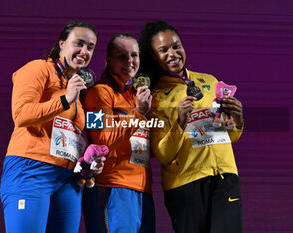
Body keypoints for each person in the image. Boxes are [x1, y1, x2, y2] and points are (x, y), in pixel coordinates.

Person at [139, 20, 244, 233]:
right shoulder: (155, 98)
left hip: (224, 177)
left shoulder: (210, 81)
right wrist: (180, 122)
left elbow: (227, 136)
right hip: (184, 185)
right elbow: (162, 154)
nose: (173, 53)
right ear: (153, 56)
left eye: (176, 46)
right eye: (163, 50)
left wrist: (237, 119)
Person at [0, 20, 105, 233]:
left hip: (68, 179)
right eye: (79, 43)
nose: (84, 51)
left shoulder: (75, 86)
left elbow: (65, 133)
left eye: (90, 47)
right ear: (62, 44)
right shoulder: (38, 69)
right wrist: (65, 99)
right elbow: (20, 114)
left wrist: (87, 163)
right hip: (31, 169)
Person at [82, 33, 156, 233]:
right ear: (108, 60)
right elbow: (102, 140)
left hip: (143, 189)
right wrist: (138, 113)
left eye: (134, 55)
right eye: (122, 56)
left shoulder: (137, 95)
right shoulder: (98, 93)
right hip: (112, 187)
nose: (130, 61)